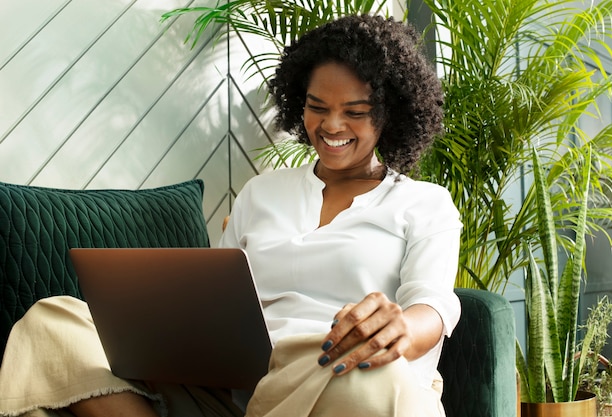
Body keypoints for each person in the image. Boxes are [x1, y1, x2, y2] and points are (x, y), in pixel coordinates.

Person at [0, 14, 462, 417]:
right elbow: (213, 303)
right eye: (316, 107)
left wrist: (399, 328)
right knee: (54, 321)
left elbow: (432, 307)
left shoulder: (425, 204)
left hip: (333, 375)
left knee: (381, 382)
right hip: (235, 388)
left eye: (354, 113)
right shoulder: (262, 193)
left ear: (390, 114)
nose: (331, 126)